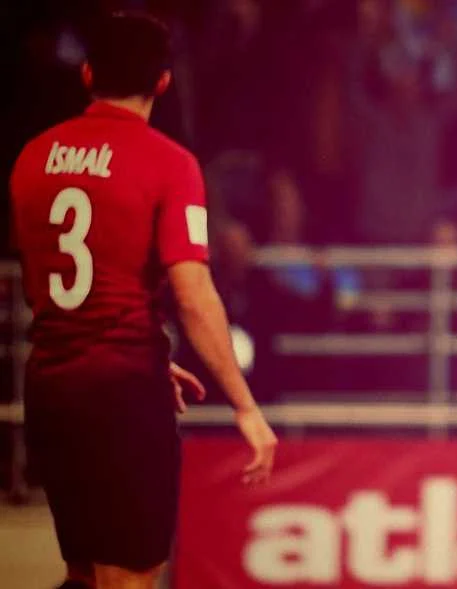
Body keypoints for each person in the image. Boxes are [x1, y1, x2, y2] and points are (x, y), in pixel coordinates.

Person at [9, 13, 278, 589]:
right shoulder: (168, 164)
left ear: (87, 74)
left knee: (84, 572)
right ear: (163, 80)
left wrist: (147, 351)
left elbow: (66, 280)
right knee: (130, 576)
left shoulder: (33, 157)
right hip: (124, 394)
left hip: (52, 391)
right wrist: (245, 407)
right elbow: (193, 293)